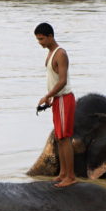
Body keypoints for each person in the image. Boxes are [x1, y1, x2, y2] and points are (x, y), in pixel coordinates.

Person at [34, 22, 77, 187]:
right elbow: (54, 79)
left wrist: (47, 95)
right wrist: (52, 97)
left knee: (65, 138)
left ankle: (71, 177)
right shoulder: (51, 53)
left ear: (50, 36)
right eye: (38, 39)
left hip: (64, 99)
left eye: (42, 39)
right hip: (57, 99)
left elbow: (63, 80)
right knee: (59, 138)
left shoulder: (60, 54)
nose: (40, 42)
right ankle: (63, 173)